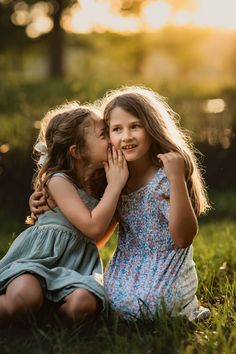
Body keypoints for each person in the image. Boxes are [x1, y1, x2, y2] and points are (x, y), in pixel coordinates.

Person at [0, 102, 128, 326]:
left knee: (84, 305)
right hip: (41, 261)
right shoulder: (58, 180)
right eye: (103, 134)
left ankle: (43, 318)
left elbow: (96, 239)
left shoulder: (103, 186)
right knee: (23, 297)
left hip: (75, 269)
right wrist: (115, 188)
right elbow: (93, 227)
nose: (111, 139)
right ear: (77, 152)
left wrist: (113, 191)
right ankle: (21, 309)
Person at [99, 86, 211, 321]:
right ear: (107, 136)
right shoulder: (114, 176)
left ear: (151, 128)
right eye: (117, 129)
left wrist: (176, 179)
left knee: (152, 306)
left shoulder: (165, 176)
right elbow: (96, 232)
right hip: (128, 265)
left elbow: (183, 238)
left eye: (135, 126)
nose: (126, 136)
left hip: (167, 265)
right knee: (106, 302)